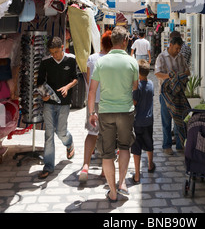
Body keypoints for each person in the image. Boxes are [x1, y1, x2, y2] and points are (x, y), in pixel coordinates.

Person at [88, 27, 139, 202]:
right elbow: (135, 87)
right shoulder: (132, 62)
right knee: (124, 147)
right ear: (125, 41)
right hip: (125, 111)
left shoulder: (101, 62)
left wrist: (91, 113)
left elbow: (92, 90)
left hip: (106, 112)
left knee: (107, 153)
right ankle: (122, 183)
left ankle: (112, 191)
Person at [37, 36, 78, 179]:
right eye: (51, 52)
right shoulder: (46, 62)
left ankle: (69, 142)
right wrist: (44, 95)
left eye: (56, 52)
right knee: (49, 134)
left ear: (62, 48)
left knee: (61, 132)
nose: (54, 55)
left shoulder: (71, 59)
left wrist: (67, 87)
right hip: (49, 103)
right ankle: (48, 166)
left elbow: (75, 78)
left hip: (65, 102)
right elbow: (40, 82)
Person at [78, 31, 112, 182]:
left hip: (93, 100)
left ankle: (86, 165)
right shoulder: (114, 59)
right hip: (109, 101)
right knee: (107, 135)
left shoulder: (92, 58)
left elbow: (88, 80)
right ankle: (105, 170)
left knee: (92, 133)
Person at [154, 35, 190, 154]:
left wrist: (179, 76)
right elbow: (157, 73)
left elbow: (187, 71)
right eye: (176, 48)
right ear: (170, 45)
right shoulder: (161, 57)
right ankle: (166, 146)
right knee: (166, 120)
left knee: (179, 119)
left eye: (179, 48)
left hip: (179, 94)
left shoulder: (181, 57)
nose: (178, 51)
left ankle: (180, 145)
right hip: (165, 94)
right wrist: (170, 76)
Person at [131, 59, 155, 183]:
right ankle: (150, 165)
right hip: (149, 120)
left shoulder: (137, 86)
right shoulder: (151, 84)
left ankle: (136, 174)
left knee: (136, 147)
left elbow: (134, 102)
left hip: (137, 121)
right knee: (149, 143)